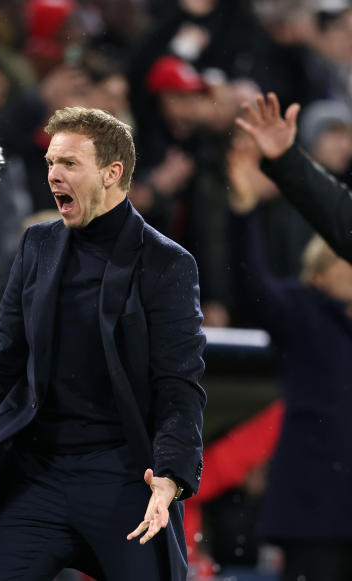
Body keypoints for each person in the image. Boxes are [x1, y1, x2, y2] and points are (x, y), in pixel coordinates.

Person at [0, 107, 207, 581]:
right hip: (40, 477)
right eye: (49, 163)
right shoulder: (37, 245)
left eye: (69, 163)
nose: (53, 175)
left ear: (112, 173)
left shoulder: (168, 263)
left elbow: (179, 385)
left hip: (126, 479)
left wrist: (171, 476)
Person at [226, 143, 352, 581]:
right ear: (318, 273)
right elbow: (251, 285)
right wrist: (243, 212)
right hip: (315, 507)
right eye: (343, 260)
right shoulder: (302, 309)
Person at [236, 92, 352, 264]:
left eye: (348, 137)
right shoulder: (285, 194)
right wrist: (286, 159)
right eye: (335, 135)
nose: (345, 145)